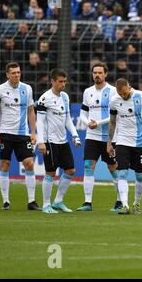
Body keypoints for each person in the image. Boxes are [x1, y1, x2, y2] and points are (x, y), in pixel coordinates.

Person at [0, 62, 39, 211]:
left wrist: (32, 132)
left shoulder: (27, 88)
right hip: (5, 133)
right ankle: (6, 201)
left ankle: (31, 201)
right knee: (5, 164)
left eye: (18, 72)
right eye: (13, 73)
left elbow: (31, 111)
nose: (17, 75)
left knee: (29, 163)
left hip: (23, 134)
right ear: (7, 74)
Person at [107, 78, 142, 215]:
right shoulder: (114, 100)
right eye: (120, 94)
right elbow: (112, 122)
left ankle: (137, 203)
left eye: (124, 93)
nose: (122, 96)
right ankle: (124, 205)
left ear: (129, 87)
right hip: (122, 142)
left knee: (140, 176)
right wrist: (109, 142)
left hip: (140, 143)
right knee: (122, 173)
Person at [76, 63, 122, 212]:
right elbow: (82, 113)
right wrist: (87, 122)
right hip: (92, 137)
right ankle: (87, 203)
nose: (97, 75)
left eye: (100, 73)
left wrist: (99, 123)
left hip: (110, 137)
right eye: (95, 72)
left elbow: (115, 114)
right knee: (88, 166)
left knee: (113, 167)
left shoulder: (113, 92)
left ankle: (120, 201)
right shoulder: (87, 92)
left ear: (105, 74)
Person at [36, 68, 81, 214]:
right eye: (60, 82)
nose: (63, 84)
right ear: (53, 81)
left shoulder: (65, 97)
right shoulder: (44, 98)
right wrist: (40, 141)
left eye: (64, 81)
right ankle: (46, 204)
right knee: (50, 172)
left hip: (63, 141)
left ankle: (58, 201)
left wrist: (75, 135)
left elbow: (67, 119)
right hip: (50, 141)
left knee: (70, 170)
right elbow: (40, 122)